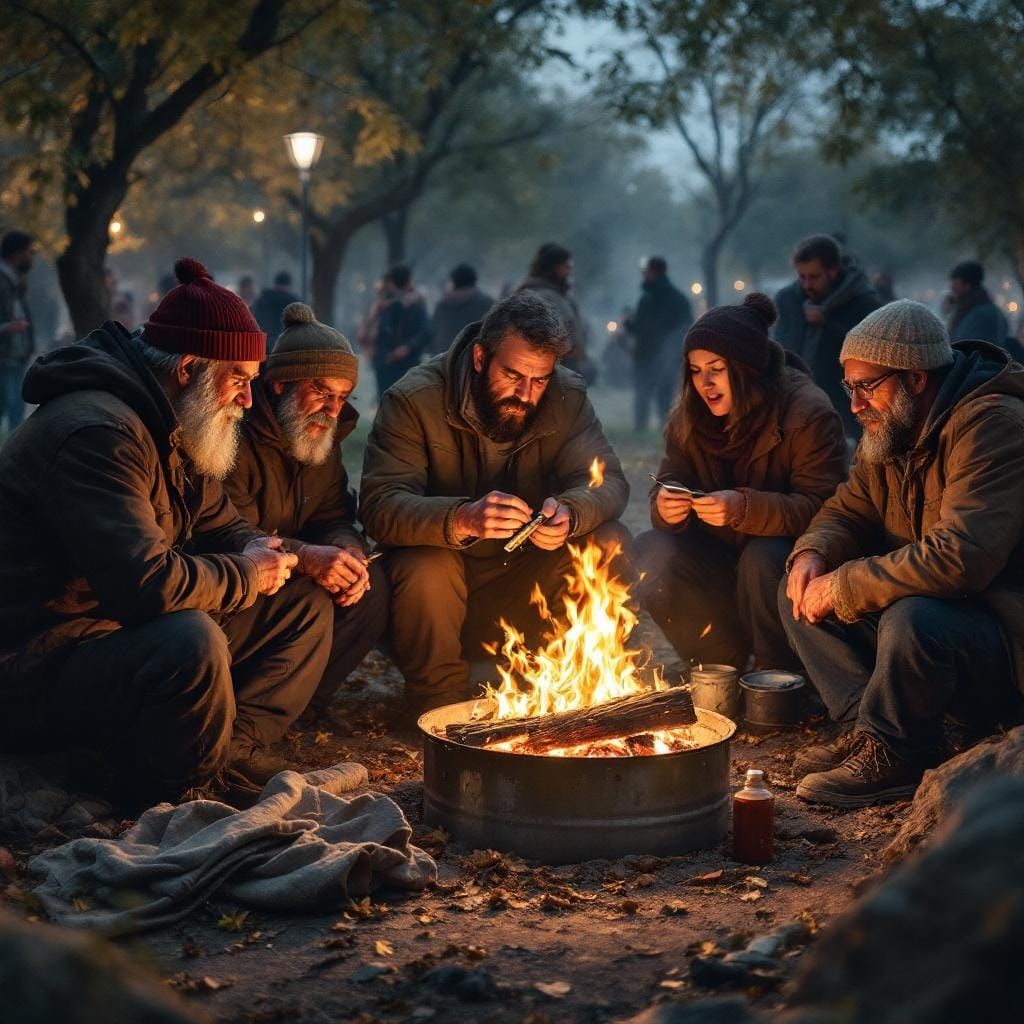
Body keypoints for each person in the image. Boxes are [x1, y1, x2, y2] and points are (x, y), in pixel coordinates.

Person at [0, 257, 334, 808]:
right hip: (36, 659)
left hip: (107, 633)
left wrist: (267, 554)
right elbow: (146, 586)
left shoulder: (173, 421)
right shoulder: (98, 432)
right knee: (190, 641)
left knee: (300, 601)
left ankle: (223, 750)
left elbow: (222, 525)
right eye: (239, 381)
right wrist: (247, 572)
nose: (249, 401)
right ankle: (169, 795)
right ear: (187, 369)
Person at [781, 300, 1024, 808]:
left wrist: (845, 586)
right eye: (849, 388)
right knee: (798, 589)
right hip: (934, 629)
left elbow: (961, 558)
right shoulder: (892, 431)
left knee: (912, 616)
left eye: (867, 386)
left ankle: (896, 753)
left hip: (998, 637)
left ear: (915, 378)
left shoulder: (993, 425)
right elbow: (846, 511)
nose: (854, 405)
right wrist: (812, 555)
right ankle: (864, 731)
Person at [360, 291, 630, 714]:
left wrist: (572, 512)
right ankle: (439, 707)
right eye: (514, 375)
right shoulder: (413, 401)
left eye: (539, 380)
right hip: (438, 599)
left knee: (609, 539)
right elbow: (380, 506)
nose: (526, 393)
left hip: (526, 583)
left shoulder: (566, 396)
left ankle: (568, 688)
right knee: (425, 563)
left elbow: (607, 480)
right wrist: (461, 518)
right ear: (481, 358)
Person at [636, 294, 847, 672]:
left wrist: (744, 508)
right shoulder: (689, 415)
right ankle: (717, 665)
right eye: (695, 370)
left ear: (747, 368)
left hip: (780, 569)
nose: (705, 383)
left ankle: (775, 675)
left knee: (762, 556)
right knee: (650, 549)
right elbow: (671, 477)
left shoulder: (807, 413)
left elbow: (827, 508)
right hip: (717, 563)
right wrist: (666, 506)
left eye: (716, 368)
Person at [225, 302, 388, 721]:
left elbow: (334, 514)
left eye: (342, 397)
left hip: (300, 570)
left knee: (369, 588)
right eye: (320, 391)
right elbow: (232, 531)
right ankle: (246, 715)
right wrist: (308, 558)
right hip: (244, 581)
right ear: (280, 384)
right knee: (307, 597)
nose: (332, 410)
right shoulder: (232, 437)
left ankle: (305, 709)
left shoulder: (323, 437)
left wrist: (347, 549)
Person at [772, 234, 880, 434]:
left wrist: (829, 324)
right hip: (798, 406)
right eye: (802, 277)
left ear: (833, 271)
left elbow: (874, 353)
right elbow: (780, 347)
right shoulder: (788, 300)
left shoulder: (862, 302)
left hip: (848, 411)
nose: (806, 285)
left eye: (813, 277)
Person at [626, 256, 693, 431]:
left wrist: (672, 352)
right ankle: (651, 428)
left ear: (654, 272)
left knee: (658, 394)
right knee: (648, 394)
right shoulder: (652, 298)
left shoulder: (672, 299)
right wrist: (629, 325)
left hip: (662, 356)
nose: (643, 275)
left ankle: (659, 428)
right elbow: (642, 327)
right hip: (649, 355)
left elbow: (682, 329)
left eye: (646, 272)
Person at [517, 242, 593, 380]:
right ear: (554, 268)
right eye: (566, 267)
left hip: (564, 366)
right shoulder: (540, 295)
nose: (569, 271)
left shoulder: (559, 295)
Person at [372, 263, 431, 399]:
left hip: (395, 362)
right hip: (395, 362)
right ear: (409, 281)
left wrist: (406, 348)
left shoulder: (389, 303)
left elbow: (425, 332)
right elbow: (426, 331)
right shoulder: (412, 303)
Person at [0, 231, 36, 432]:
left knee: (15, 414)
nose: (32, 257)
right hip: (5, 357)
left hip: (13, 357)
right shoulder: (3, 281)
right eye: (30, 252)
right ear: (17, 253)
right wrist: (8, 328)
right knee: (12, 415)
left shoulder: (13, 281)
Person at [431, 263, 494, 354]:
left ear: (454, 282)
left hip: (442, 359)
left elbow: (433, 330)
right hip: (471, 358)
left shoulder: (442, 304)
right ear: (474, 281)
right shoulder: (485, 303)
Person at [947, 260, 1009, 345]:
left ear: (967, 285)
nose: (952, 287)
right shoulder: (969, 310)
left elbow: (974, 350)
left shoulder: (984, 314)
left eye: (956, 283)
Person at [251, 271, 301, 344]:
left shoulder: (264, 298)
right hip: (285, 342)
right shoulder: (293, 301)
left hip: (265, 340)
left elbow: (256, 318)